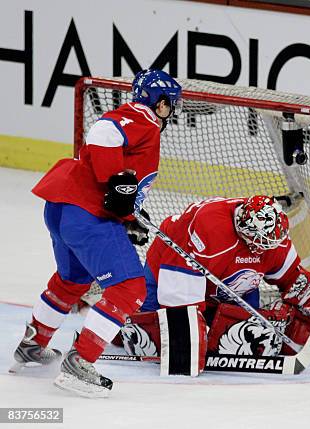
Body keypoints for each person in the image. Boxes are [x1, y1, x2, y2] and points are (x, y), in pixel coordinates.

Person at [11, 69, 183, 397]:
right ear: (159, 103)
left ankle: (33, 346)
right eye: (170, 103)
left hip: (64, 206)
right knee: (130, 287)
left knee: (71, 280)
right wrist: (114, 182)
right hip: (85, 213)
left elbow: (119, 185)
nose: (171, 110)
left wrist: (128, 214)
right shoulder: (143, 116)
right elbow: (104, 131)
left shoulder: (142, 121)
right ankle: (81, 361)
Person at [118, 195, 310, 364]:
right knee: (149, 332)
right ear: (245, 231)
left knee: (245, 336)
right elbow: (179, 295)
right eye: (259, 244)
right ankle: (117, 328)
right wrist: (189, 336)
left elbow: (294, 281)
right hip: (169, 267)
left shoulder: (273, 239)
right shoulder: (210, 229)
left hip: (232, 287)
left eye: (269, 245)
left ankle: (212, 325)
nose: (263, 250)